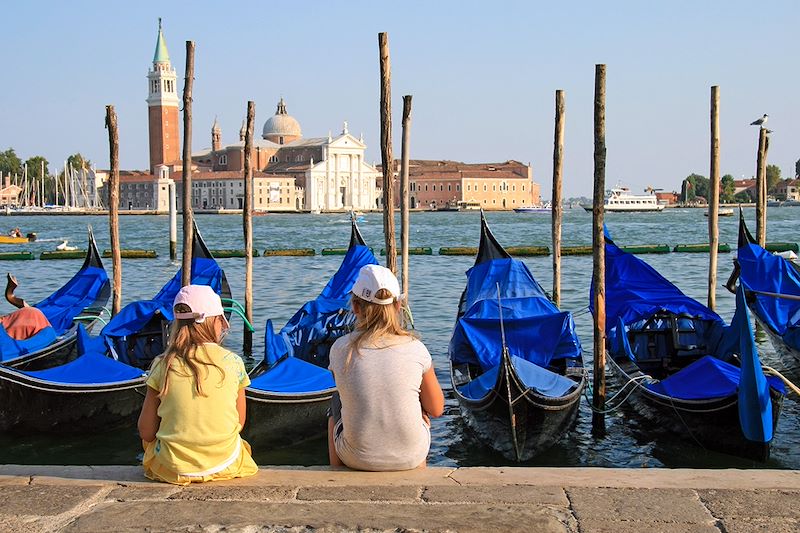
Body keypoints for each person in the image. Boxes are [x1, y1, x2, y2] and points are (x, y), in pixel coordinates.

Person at [327, 264, 445, 471]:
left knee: (335, 401)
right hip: (411, 457)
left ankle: (337, 472)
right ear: (398, 306)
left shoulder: (340, 348)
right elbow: (436, 410)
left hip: (356, 458)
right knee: (417, 400)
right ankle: (418, 473)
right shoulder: (416, 348)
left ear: (355, 307)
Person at [137, 284, 257, 485]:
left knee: (149, 441)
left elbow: (146, 431)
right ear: (217, 322)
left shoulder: (162, 365)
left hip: (172, 469)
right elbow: (239, 423)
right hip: (224, 464)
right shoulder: (234, 362)